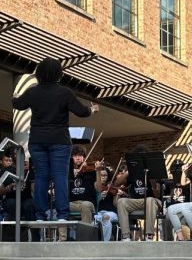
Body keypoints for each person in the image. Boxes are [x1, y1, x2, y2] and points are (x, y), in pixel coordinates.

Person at [11, 57, 97, 222]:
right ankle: (62, 215)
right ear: (59, 73)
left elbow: (18, 104)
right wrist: (92, 109)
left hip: (37, 140)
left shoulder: (32, 91)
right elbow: (82, 112)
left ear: (40, 73)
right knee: (60, 176)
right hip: (59, 140)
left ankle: (40, 215)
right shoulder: (64, 92)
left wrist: (15, 96)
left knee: (41, 176)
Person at [114, 149, 163, 241]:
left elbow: (157, 195)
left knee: (149, 199)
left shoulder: (153, 172)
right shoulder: (132, 173)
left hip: (152, 202)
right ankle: (126, 236)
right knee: (121, 201)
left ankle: (149, 235)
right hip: (135, 202)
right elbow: (116, 183)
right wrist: (128, 172)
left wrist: (152, 179)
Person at [68, 145, 107, 233]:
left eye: (80, 155)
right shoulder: (67, 172)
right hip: (72, 204)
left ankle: (85, 236)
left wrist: (97, 171)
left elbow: (99, 188)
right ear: (71, 158)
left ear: (84, 157)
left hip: (88, 203)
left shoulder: (91, 171)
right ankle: (64, 237)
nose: (78, 158)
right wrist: (69, 174)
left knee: (85, 205)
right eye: (75, 156)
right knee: (62, 205)